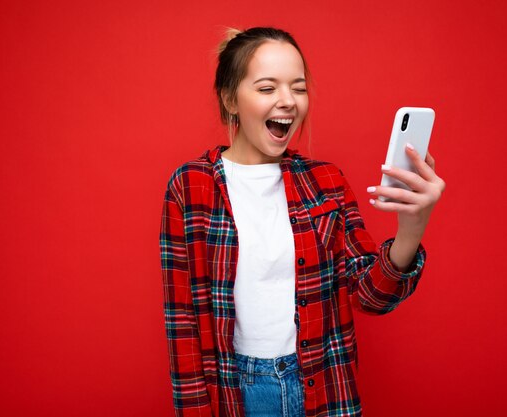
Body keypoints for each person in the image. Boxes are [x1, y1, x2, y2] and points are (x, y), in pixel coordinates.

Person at [159, 27, 445, 417]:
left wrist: (411, 230)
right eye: (266, 88)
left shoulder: (326, 181)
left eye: (298, 87)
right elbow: (184, 324)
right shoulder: (191, 186)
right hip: (235, 390)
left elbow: (369, 296)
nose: (287, 101)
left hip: (322, 386)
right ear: (230, 99)